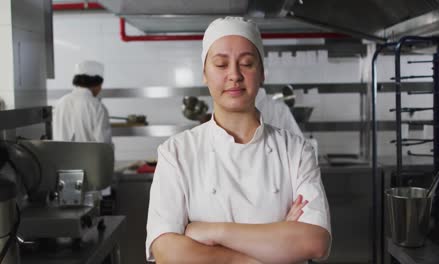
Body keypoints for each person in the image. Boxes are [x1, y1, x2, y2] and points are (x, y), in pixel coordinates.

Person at [146, 16, 331, 264]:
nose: (234, 75)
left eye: (246, 63)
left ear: (262, 73)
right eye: (221, 65)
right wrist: (270, 248)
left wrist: (211, 231)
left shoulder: (296, 151)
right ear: (205, 74)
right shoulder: (177, 152)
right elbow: (166, 251)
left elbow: (314, 242)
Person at [52, 60, 112, 144]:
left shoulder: (60, 102)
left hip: (61, 157)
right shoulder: (97, 106)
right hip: (89, 157)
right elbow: (104, 145)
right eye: (101, 85)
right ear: (97, 83)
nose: (100, 89)